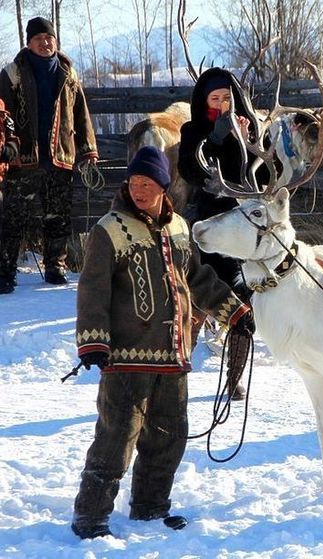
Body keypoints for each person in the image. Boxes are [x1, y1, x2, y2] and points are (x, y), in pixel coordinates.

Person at [71, 146, 255, 540]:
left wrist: (234, 312)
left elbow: (198, 278)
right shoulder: (109, 229)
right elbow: (92, 290)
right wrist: (93, 342)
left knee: (168, 436)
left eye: (147, 184)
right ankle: (90, 516)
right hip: (125, 358)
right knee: (116, 437)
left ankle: (151, 507)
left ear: (163, 187)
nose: (138, 189)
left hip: (173, 354)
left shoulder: (179, 229)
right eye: (134, 182)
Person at [178, 68, 261, 401]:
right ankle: (178, 369)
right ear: (204, 100)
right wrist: (214, 139)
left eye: (228, 97)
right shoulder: (193, 130)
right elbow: (190, 171)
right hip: (211, 227)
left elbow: (266, 174)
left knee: (244, 306)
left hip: (246, 229)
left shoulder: (252, 127)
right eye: (216, 98)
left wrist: (249, 143)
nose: (223, 104)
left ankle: (234, 378)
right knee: (200, 302)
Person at [0, 16, 98, 294]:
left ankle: (55, 267)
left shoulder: (68, 73)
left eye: (49, 38)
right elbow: (1, 112)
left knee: (58, 215)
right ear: (29, 43)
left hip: (60, 157)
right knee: (13, 216)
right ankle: (5, 271)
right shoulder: (13, 73)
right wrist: (6, 144)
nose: (45, 43)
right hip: (24, 157)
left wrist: (88, 149)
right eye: (39, 38)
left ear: (56, 41)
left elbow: (81, 115)